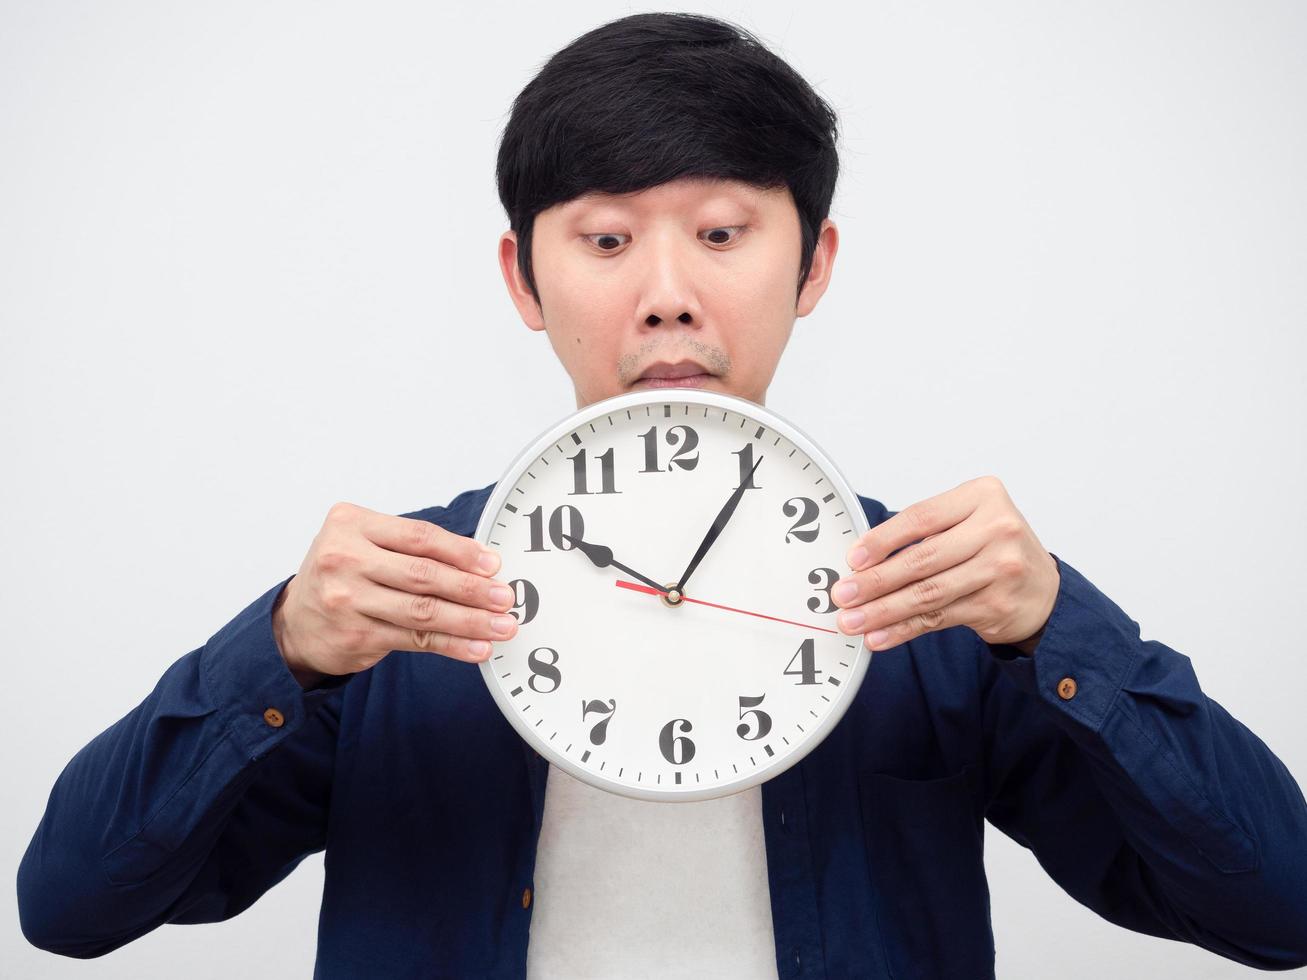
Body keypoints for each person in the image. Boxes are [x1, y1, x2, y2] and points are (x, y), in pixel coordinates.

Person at [17, 11, 1307, 979]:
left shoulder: (934, 601)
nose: (670, 293)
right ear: (526, 281)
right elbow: (71, 906)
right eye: (608, 239)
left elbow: (1276, 907)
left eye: (726, 232)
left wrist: (1057, 628)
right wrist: (282, 654)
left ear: (814, 265)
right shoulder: (396, 604)